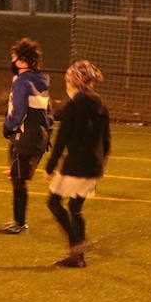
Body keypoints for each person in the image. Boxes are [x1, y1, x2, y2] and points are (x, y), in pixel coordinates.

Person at [44, 60, 111, 268]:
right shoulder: (100, 103)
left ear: (73, 81)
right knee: (74, 206)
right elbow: (107, 140)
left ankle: (78, 248)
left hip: (76, 165)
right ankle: (78, 255)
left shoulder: (74, 105)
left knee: (54, 203)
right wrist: (101, 162)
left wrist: (50, 165)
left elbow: (62, 138)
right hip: (94, 165)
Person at [0, 38, 52, 235]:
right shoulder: (41, 80)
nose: (12, 61)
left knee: (18, 180)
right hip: (39, 136)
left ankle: (19, 223)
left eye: (14, 57)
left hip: (25, 135)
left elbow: (18, 112)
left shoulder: (22, 81)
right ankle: (19, 221)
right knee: (18, 176)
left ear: (21, 60)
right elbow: (49, 112)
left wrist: (8, 127)